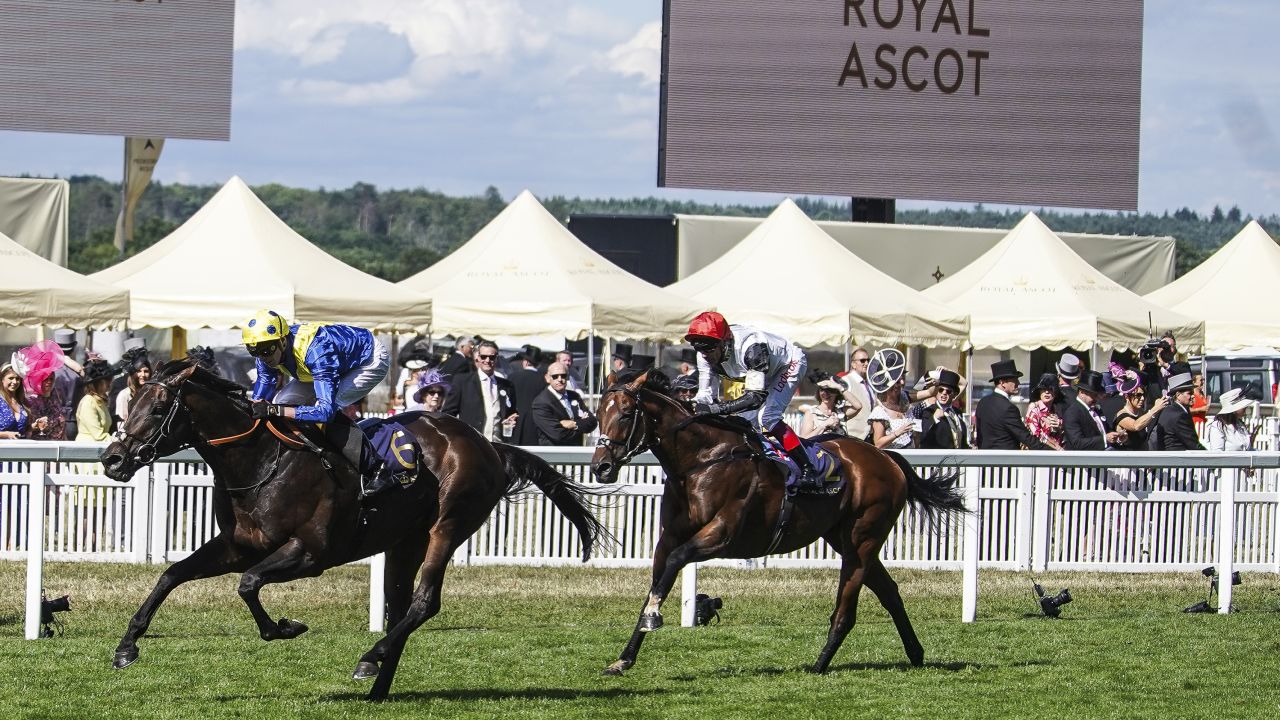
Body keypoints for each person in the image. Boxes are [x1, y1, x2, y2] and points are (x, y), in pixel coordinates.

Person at [240, 309, 398, 497]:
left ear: (283, 340)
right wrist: (255, 407)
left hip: (368, 361)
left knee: (325, 406)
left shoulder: (316, 351)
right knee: (281, 401)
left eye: (266, 350)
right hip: (331, 363)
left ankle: (377, 468)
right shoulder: (267, 351)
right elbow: (263, 391)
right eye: (254, 351)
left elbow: (325, 412)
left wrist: (275, 410)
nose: (263, 356)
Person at [684, 311, 821, 493]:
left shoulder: (751, 347)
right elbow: (705, 397)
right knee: (744, 420)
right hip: (762, 370)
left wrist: (715, 409)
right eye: (698, 348)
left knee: (767, 417)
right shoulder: (703, 355)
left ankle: (808, 468)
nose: (704, 354)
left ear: (724, 341)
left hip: (788, 364)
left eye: (709, 348)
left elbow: (754, 398)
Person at [442, 340, 518, 440]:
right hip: (471, 444)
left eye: (492, 357)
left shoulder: (507, 385)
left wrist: (512, 420)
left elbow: (511, 413)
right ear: (477, 357)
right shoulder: (462, 381)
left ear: (497, 358)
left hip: (499, 444)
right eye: (483, 356)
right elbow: (448, 414)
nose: (487, 360)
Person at [975, 359, 1051, 450]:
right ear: (1002, 383)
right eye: (1014, 380)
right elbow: (1025, 438)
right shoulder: (1008, 408)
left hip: (985, 460)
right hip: (1005, 461)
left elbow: (979, 438)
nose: (1018, 383)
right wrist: (1054, 454)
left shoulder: (982, 403)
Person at [531, 361, 598, 446]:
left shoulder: (574, 396)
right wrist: (581, 425)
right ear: (548, 378)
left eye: (563, 375)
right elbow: (557, 434)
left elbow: (592, 421)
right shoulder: (541, 402)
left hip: (576, 451)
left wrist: (574, 424)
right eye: (555, 376)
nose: (560, 379)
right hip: (553, 453)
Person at [13, 340, 69, 440]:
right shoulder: (31, 401)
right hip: (40, 448)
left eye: (51, 379)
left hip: (59, 446)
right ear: (38, 380)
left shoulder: (56, 395)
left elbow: (62, 425)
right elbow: (26, 430)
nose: (49, 382)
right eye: (45, 379)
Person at [866, 349, 917, 449]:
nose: (902, 383)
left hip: (911, 457)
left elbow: (930, 392)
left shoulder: (904, 400)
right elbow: (878, 444)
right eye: (897, 381)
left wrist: (939, 377)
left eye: (902, 378)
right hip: (893, 460)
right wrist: (898, 432)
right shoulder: (880, 412)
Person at [1062, 371, 1125, 450]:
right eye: (1093, 395)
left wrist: (1117, 437)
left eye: (1097, 395)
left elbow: (1106, 431)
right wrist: (1105, 439)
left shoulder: (1097, 409)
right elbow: (1077, 443)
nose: (1096, 398)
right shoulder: (1072, 413)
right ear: (1081, 392)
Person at [1110, 365, 1167, 451]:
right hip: (1128, 460)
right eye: (1138, 395)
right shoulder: (1121, 415)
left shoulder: (1141, 413)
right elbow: (1136, 426)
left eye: (1143, 395)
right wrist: (1155, 409)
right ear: (1126, 397)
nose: (1142, 398)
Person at [912, 368, 969, 449]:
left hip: (958, 458)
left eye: (948, 391)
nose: (944, 394)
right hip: (938, 459)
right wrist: (934, 418)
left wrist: (947, 370)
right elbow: (923, 437)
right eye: (940, 390)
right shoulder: (928, 411)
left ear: (954, 394)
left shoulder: (957, 412)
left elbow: (964, 383)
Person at [508, 345, 547, 445]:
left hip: (514, 421)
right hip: (535, 424)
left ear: (525, 362)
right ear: (538, 364)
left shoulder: (512, 377)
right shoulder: (543, 380)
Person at [1156, 372, 1205, 451]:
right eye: (1189, 393)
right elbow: (1192, 444)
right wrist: (1211, 458)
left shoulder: (1168, 410)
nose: (1193, 396)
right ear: (1178, 395)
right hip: (1178, 459)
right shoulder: (1180, 415)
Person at [75, 359, 115, 442]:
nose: (110, 382)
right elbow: (98, 436)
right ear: (97, 382)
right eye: (107, 379)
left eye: (110, 379)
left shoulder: (100, 400)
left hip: (98, 448)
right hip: (86, 449)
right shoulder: (88, 402)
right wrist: (117, 439)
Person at [841, 347, 876, 440]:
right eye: (862, 361)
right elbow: (842, 411)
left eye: (868, 360)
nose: (867, 363)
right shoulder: (846, 381)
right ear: (853, 364)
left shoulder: (870, 384)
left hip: (870, 436)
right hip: (853, 436)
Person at [1024, 373, 1065, 450]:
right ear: (1039, 391)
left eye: (1050, 389)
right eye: (1043, 389)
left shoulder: (1056, 410)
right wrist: (1058, 448)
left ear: (1055, 393)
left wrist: (1060, 425)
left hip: (1054, 456)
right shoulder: (1034, 409)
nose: (1046, 392)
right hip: (1037, 455)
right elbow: (1037, 435)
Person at [113, 349, 153, 426]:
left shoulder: (152, 392)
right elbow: (121, 424)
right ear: (133, 373)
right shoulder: (125, 395)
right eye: (138, 371)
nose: (143, 375)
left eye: (146, 371)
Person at [0, 362, 30, 439]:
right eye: (11, 378)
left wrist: (35, 425)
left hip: (19, 448)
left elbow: (22, 430)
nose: (15, 382)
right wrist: (6, 435)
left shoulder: (22, 401)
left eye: (17, 379)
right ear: (2, 379)